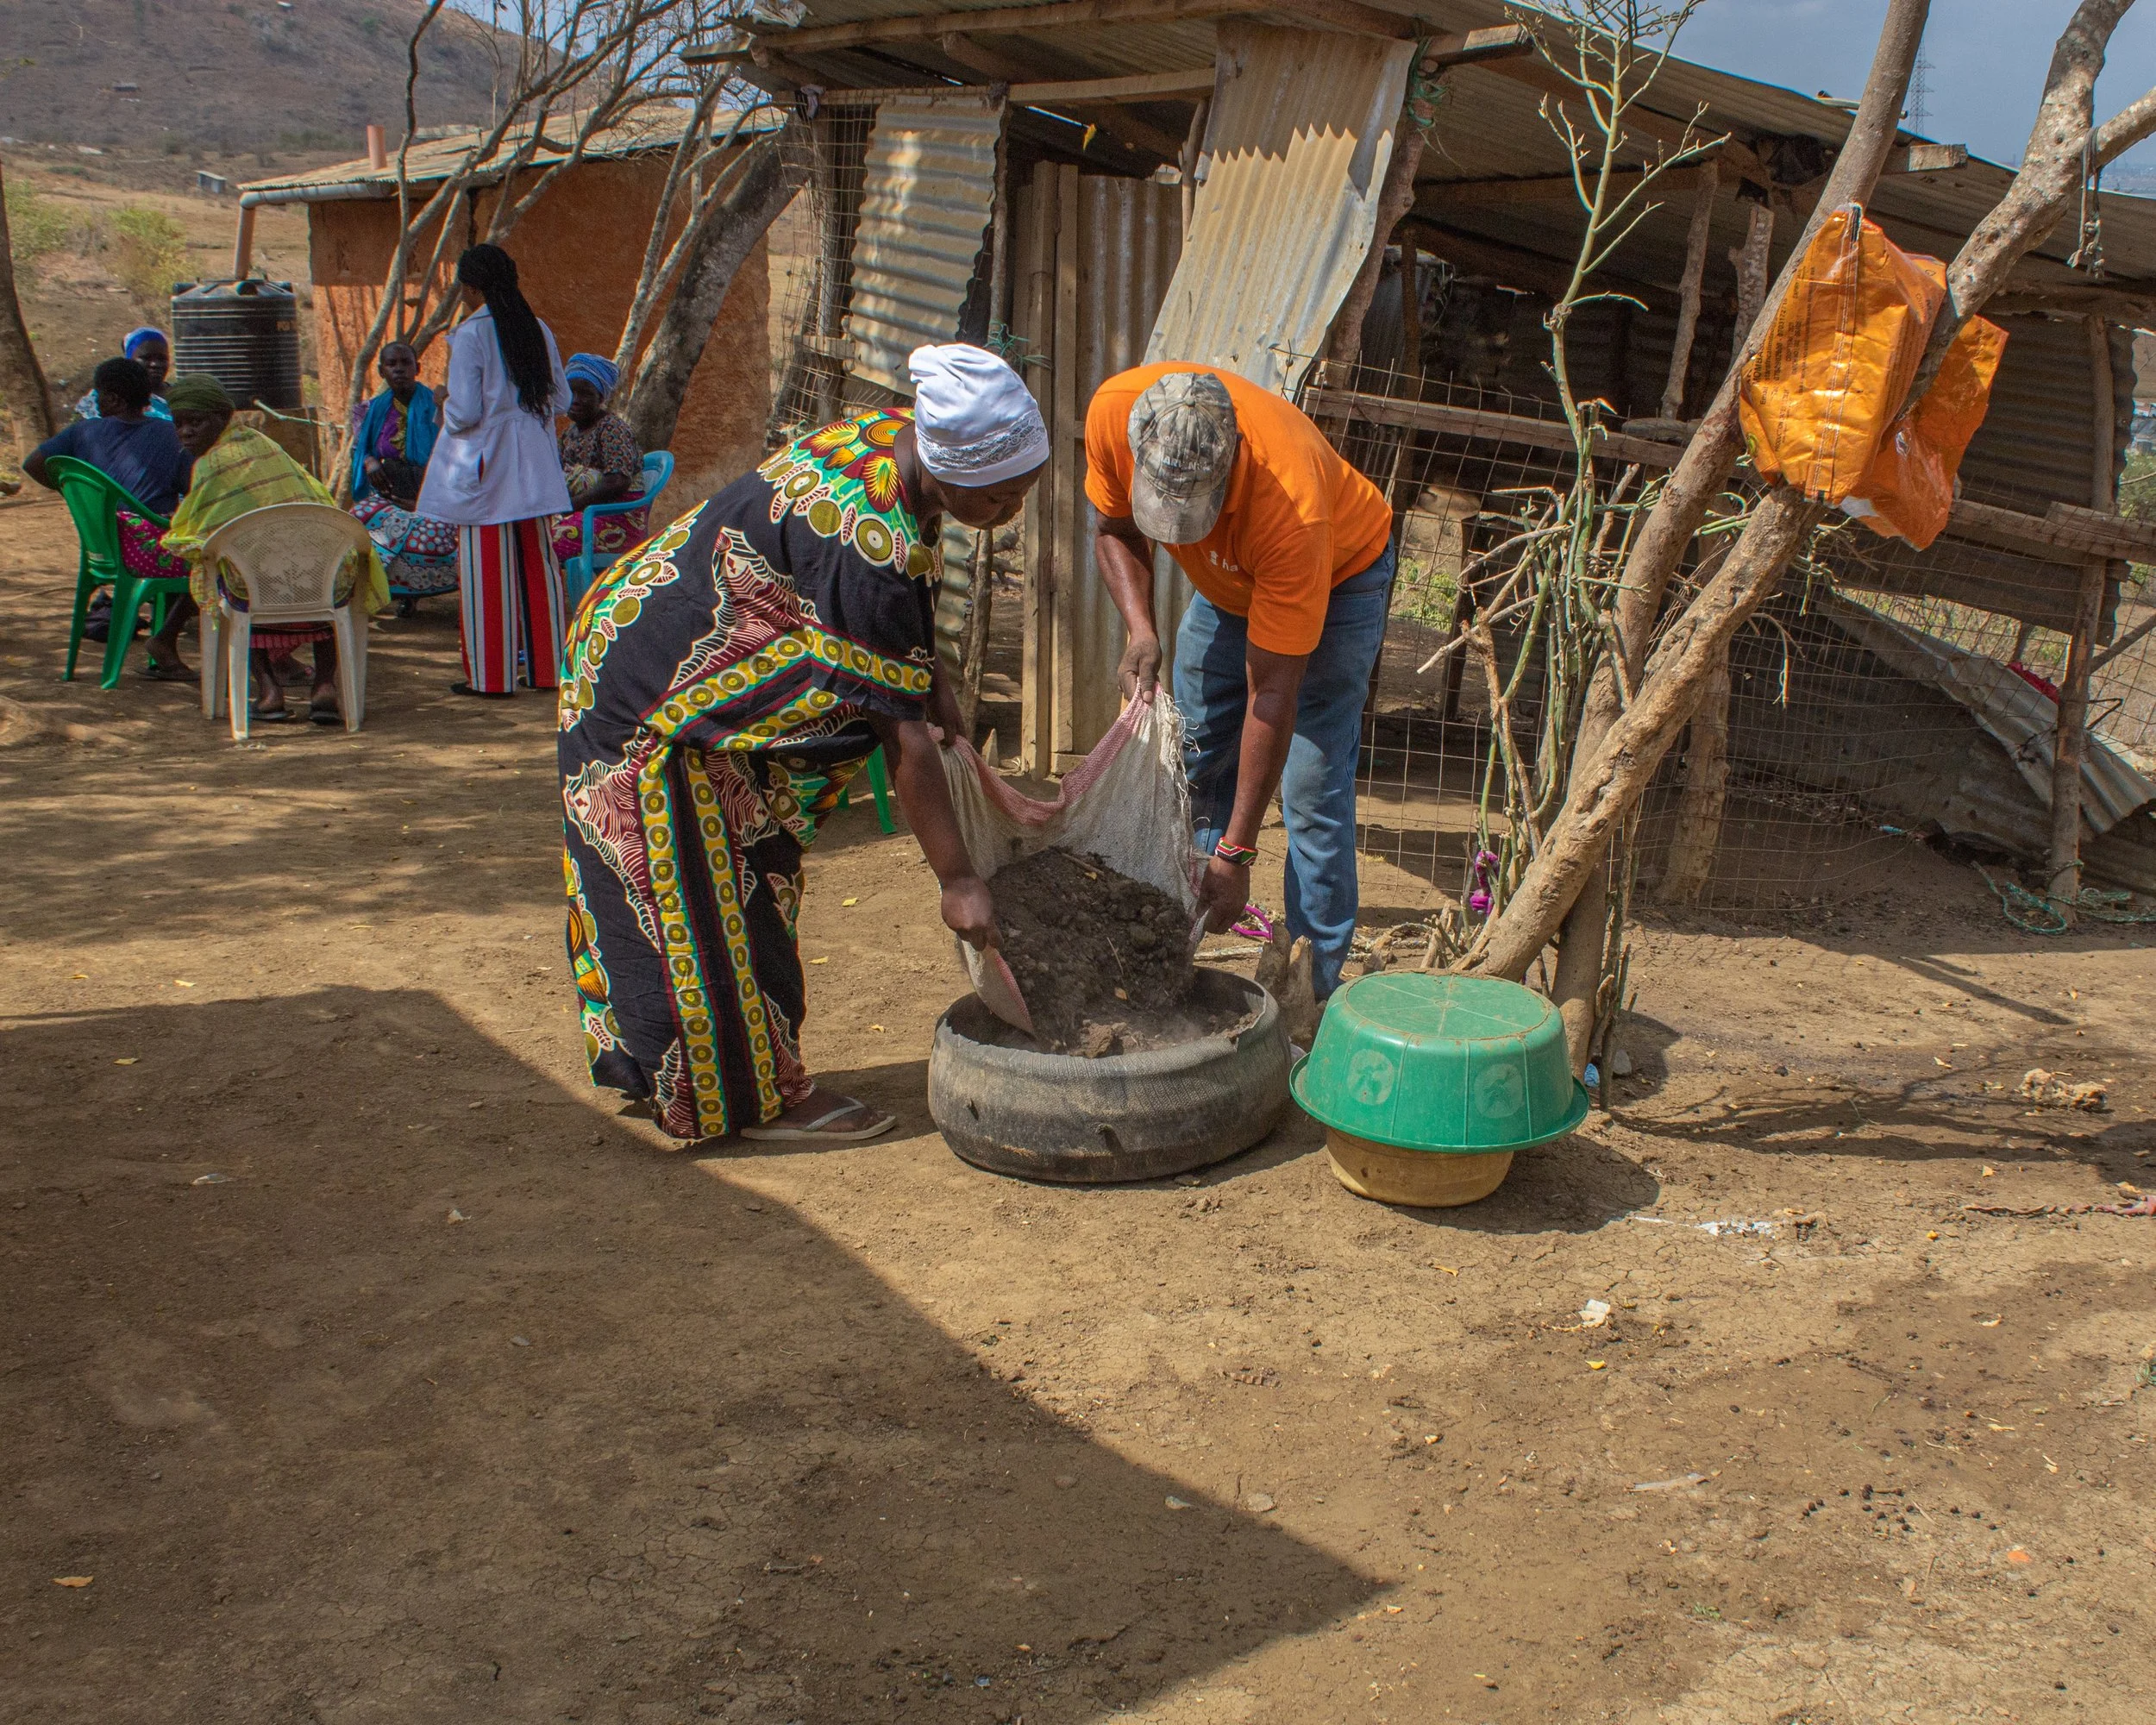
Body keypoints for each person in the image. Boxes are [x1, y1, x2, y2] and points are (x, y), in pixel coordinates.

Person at [560, 342, 1047, 1144]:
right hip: (652, 696)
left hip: (639, 629)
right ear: (950, 463)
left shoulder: (890, 441)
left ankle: (658, 1071)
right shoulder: (871, 545)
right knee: (700, 895)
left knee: (719, 875)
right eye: (999, 497)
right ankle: (754, 1102)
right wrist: (958, 880)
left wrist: (932, 679)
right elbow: (907, 744)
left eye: (1023, 491)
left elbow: (905, 591)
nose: (1011, 511)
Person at [1084, 362, 1395, 998]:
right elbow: (1114, 528)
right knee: (1193, 756)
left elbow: (1273, 695)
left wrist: (1239, 853)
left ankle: (1315, 989)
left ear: (1232, 470)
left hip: (1339, 581)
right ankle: (1182, 938)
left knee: (1312, 790)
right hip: (1227, 586)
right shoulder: (1115, 413)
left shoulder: (1291, 509)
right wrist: (1140, 628)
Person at [160, 374, 390, 724]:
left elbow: (198, 535)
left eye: (196, 422)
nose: (186, 433)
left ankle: (268, 691)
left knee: (232, 574)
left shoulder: (211, 465)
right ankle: (324, 685)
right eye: (179, 425)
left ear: (223, 419)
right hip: (325, 582)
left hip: (261, 590)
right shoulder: (268, 447)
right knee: (319, 578)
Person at [417, 243, 572, 699]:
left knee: (487, 569)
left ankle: (490, 677)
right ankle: (549, 671)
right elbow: (560, 401)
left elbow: (464, 414)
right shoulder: (537, 328)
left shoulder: (471, 334)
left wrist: (444, 402)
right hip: (535, 460)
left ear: (471, 287)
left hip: (487, 465)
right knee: (539, 567)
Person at [25, 355, 197, 677]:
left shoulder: (82, 433)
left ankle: (165, 648)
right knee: (214, 559)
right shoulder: (169, 435)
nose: (95, 401)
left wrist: (79, 496)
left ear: (114, 399)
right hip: (148, 554)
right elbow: (192, 488)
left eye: (99, 394)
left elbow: (33, 463)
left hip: (102, 548)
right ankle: (167, 641)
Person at [548, 351, 649, 566]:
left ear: (601, 398)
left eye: (585, 394)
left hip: (617, 519)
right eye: (570, 392)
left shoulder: (612, 429)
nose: (575, 400)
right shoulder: (568, 434)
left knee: (544, 547)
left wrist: (569, 506)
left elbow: (618, 482)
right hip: (586, 516)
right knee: (531, 540)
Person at [352, 455, 459, 606]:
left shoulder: (452, 439)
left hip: (442, 507)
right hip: (393, 497)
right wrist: (370, 462)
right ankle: (378, 592)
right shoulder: (388, 431)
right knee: (358, 518)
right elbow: (363, 449)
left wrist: (425, 506)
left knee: (427, 540)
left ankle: (412, 595)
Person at [349, 341, 439, 503]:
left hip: (434, 497)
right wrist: (369, 461)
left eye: (406, 363)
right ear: (381, 371)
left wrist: (421, 504)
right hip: (387, 497)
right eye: (391, 364)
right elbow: (358, 449)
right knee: (360, 518)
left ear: (417, 368)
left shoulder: (439, 408)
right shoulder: (368, 411)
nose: (399, 369)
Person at [73, 328, 174, 423]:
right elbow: (81, 434)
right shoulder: (107, 396)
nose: (155, 364)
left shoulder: (182, 393)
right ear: (128, 360)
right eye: (146, 358)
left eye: (162, 359)